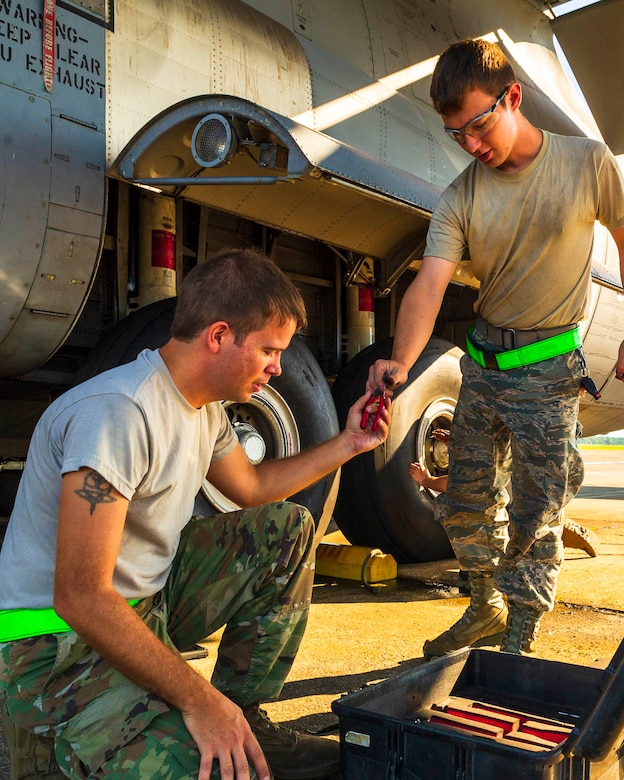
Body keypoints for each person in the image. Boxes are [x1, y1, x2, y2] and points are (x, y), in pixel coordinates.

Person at [0, 248, 391, 780]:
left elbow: (253, 488)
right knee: (208, 771)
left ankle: (245, 721)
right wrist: (200, 701)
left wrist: (349, 442)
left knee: (288, 529)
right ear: (219, 336)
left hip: (143, 605)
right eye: (270, 351)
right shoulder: (118, 415)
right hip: (54, 642)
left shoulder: (202, 407)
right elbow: (81, 597)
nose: (278, 368)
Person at [368, 38, 624, 658]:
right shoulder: (461, 196)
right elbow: (429, 283)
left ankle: (520, 641)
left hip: (547, 367)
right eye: (457, 135)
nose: (472, 145)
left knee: (538, 515)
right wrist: (400, 361)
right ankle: (485, 607)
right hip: (483, 363)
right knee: (463, 503)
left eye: (478, 125)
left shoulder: (587, 162)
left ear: (512, 97)